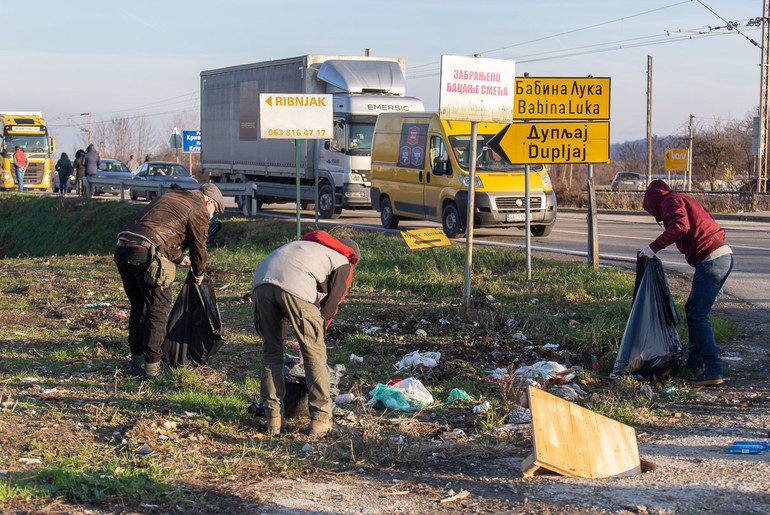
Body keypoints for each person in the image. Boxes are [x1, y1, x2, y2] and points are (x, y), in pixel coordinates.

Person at [251, 231, 360, 436]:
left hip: (261, 281)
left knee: (271, 352)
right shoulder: (343, 261)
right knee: (315, 355)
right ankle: (321, 420)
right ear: (353, 256)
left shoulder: (308, 248)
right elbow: (329, 309)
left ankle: (273, 418)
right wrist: (312, 340)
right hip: (294, 285)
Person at [114, 183, 225, 379]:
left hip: (123, 247)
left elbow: (161, 231)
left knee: (139, 306)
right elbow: (199, 246)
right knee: (158, 309)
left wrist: (180, 257)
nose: (211, 215)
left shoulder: (172, 197)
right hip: (146, 253)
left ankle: (137, 360)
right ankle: (153, 369)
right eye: (214, 210)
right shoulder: (198, 209)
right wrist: (198, 273)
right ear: (209, 201)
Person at [639, 180, 733, 386]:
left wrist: (653, 248)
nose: (656, 216)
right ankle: (694, 363)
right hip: (717, 258)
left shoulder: (669, 201)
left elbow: (680, 226)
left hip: (713, 259)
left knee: (697, 314)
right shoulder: (680, 199)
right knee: (693, 310)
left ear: (653, 202)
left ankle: (713, 369)